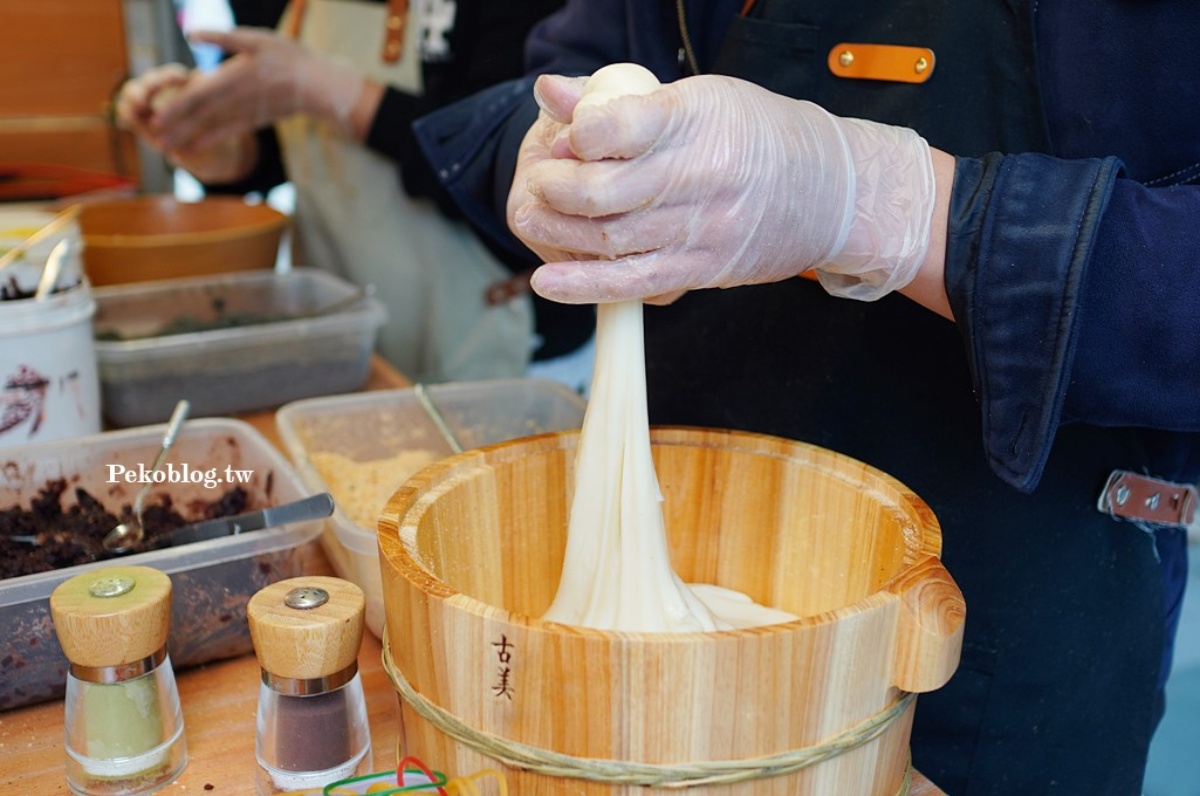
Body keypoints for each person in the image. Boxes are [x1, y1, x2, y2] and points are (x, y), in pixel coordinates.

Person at [407, 2, 1200, 793]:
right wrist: (552, 159)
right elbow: (577, 63)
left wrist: (885, 204)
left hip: (1031, 612)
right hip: (685, 509)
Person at [114, 0, 595, 386]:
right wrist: (220, 152)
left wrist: (323, 88)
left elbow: (509, 162)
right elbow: (287, 149)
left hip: (490, 342)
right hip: (338, 331)